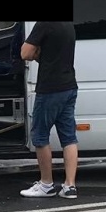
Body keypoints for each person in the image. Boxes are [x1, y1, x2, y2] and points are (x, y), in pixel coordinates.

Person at [19, 19, 79, 199]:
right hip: (69, 85)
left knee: (40, 135)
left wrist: (38, 54)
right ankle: (70, 186)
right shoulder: (68, 24)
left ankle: (46, 184)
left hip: (50, 88)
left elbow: (25, 53)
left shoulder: (44, 24)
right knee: (69, 137)